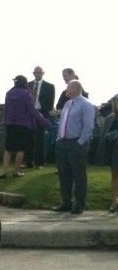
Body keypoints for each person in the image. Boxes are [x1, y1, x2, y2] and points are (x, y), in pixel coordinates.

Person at [51, 79, 96, 215]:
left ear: (76, 88)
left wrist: (81, 142)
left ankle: (79, 204)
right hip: (63, 143)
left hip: (76, 143)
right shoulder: (67, 104)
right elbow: (62, 122)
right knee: (64, 174)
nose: (66, 89)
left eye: (68, 87)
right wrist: (59, 138)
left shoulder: (86, 105)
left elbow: (88, 126)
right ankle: (66, 202)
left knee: (79, 175)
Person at [0, 75, 48, 179]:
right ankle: (16, 172)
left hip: (10, 124)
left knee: (8, 149)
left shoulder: (9, 93)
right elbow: (32, 111)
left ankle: (3, 172)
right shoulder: (26, 94)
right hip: (22, 125)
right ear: (24, 83)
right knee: (20, 149)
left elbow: (6, 109)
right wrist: (45, 122)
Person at [29, 66, 55, 168]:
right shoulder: (28, 85)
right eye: (36, 72)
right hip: (30, 113)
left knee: (40, 139)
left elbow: (51, 103)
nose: (37, 74)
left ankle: (39, 162)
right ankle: (28, 162)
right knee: (29, 138)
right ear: (33, 73)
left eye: (39, 72)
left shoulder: (49, 86)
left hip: (41, 114)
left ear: (43, 73)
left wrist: (46, 116)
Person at [97, 94, 118, 214]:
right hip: (115, 151)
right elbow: (105, 135)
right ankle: (114, 200)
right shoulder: (111, 118)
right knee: (115, 176)